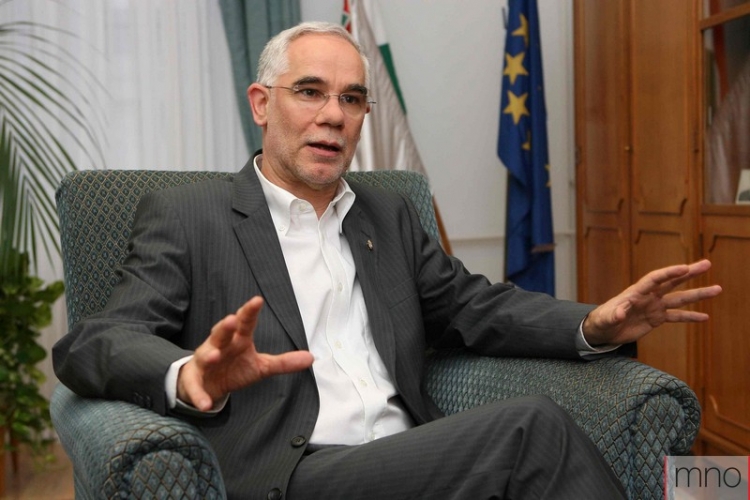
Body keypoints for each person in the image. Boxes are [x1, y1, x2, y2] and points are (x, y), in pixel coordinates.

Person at [52, 22, 721, 500]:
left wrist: (595, 323)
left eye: (351, 98)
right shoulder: (189, 216)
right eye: (309, 91)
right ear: (262, 104)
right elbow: (94, 342)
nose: (333, 116)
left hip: (409, 454)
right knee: (531, 426)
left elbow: (474, 306)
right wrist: (187, 374)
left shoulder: (387, 213)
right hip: (295, 472)